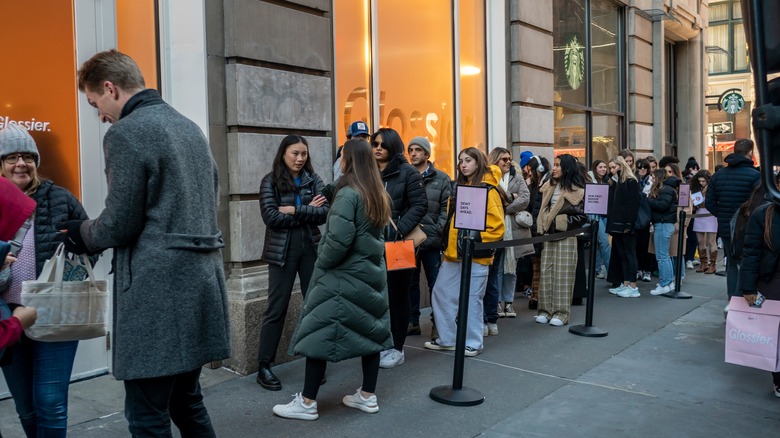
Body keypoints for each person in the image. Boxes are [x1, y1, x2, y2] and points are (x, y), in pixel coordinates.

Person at [64, 50, 231, 437]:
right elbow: (211, 198)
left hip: (158, 294)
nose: (101, 116)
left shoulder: (126, 132)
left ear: (110, 88)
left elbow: (119, 223)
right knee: (186, 401)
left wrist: (82, 232)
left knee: (146, 415)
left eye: (95, 104)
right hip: (199, 286)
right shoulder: (189, 127)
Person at [272, 138, 393, 421]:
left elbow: (338, 240)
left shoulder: (349, 194)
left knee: (319, 333)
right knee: (371, 333)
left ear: (348, 161)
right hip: (371, 274)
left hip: (342, 275)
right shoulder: (375, 191)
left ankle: (307, 402)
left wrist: (321, 265)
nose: (338, 161)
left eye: (341, 157)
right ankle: (367, 396)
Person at [0, 124, 92, 437]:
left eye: (27, 156)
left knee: (50, 402)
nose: (20, 164)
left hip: (55, 312)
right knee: (25, 405)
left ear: (37, 161)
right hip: (6, 315)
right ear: (1, 163)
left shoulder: (60, 198)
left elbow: (91, 244)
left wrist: (67, 273)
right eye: (11, 157)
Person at [256, 135, 328, 391]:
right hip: (282, 251)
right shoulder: (270, 181)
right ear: (284, 153)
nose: (300, 159)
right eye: (295, 153)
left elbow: (323, 213)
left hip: (310, 248)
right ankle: (264, 366)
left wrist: (296, 210)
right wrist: (307, 209)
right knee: (276, 308)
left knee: (314, 306)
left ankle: (316, 363)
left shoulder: (314, 180)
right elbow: (271, 217)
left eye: (304, 154)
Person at [423, 147, 504, 355]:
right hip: (453, 254)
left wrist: (473, 242)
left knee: (472, 298)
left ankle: (473, 342)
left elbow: (497, 227)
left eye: (468, 160)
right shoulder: (460, 187)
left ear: (478, 162)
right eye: (461, 161)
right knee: (441, 292)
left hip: (475, 254)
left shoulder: (489, 190)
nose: (463, 164)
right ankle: (449, 337)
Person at [370, 128, 426, 368]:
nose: (378, 148)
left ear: (393, 146)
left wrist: (399, 229)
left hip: (399, 245)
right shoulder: (368, 173)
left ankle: (397, 347)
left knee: (398, 296)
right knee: (377, 296)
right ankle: (381, 342)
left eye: (383, 144)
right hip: (371, 244)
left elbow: (420, 204)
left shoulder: (408, 172)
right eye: (375, 144)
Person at [706, 138, 760, 305]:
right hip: (747, 226)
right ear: (750, 153)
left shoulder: (719, 175)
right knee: (746, 263)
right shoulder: (755, 175)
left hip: (725, 225)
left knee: (731, 262)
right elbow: (758, 203)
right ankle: (741, 301)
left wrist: (722, 215)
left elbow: (710, 203)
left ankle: (732, 300)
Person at [406, 136, 450, 338]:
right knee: (409, 282)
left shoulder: (441, 178)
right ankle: (412, 321)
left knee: (436, 283)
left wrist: (439, 229)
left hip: (432, 239)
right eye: (410, 150)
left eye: (417, 150)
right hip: (408, 238)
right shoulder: (405, 175)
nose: (413, 153)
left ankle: (437, 323)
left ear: (426, 153)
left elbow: (446, 208)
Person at [535, 154, 586, 326]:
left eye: (558, 165)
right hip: (547, 234)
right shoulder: (547, 186)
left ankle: (561, 313)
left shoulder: (578, 190)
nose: (554, 168)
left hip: (565, 236)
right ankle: (544, 310)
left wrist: (559, 223)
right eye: (554, 165)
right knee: (546, 272)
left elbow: (581, 217)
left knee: (563, 274)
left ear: (568, 168)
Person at [738, 199, 780, 398]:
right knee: (775, 333)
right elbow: (751, 251)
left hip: (770, 280)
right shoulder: (764, 214)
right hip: (772, 281)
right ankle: (779, 379)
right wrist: (747, 288)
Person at [487, 147, 532, 325]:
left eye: (509, 159)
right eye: (503, 159)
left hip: (513, 227)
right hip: (496, 227)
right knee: (496, 267)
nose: (507, 162)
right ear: (495, 160)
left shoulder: (516, 176)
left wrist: (506, 207)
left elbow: (525, 198)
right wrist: (511, 198)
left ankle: (509, 302)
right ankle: (496, 302)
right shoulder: (490, 177)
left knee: (511, 268)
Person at [605, 156, 641, 298]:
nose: (611, 170)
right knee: (622, 255)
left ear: (621, 166)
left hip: (626, 224)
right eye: (610, 168)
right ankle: (626, 284)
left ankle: (633, 285)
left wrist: (628, 224)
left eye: (614, 167)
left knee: (629, 254)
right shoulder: (617, 182)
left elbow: (632, 205)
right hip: (616, 223)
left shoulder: (631, 182)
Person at [524, 155, 550, 310]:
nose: (530, 174)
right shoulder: (536, 184)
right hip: (535, 230)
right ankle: (535, 296)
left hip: (541, 230)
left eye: (531, 170)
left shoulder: (545, 184)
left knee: (540, 264)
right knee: (536, 264)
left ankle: (538, 297)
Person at [647, 169, 678, 295]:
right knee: (665, 256)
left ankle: (664, 283)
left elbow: (662, 206)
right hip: (665, 223)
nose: (652, 179)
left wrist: (648, 200)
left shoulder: (666, 190)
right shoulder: (669, 190)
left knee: (662, 257)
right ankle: (669, 282)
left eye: (653, 177)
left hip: (663, 223)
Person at [691, 170, 718, 274]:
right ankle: (704, 263)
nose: (701, 183)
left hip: (710, 215)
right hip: (699, 215)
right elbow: (696, 203)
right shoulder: (696, 189)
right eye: (699, 181)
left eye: (703, 181)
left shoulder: (712, 189)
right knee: (700, 241)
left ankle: (713, 264)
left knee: (712, 241)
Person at [588, 159, 611, 279]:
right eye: (600, 167)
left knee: (598, 244)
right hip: (595, 214)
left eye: (604, 167)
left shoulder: (608, 180)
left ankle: (597, 269)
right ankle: (611, 272)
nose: (603, 169)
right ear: (595, 168)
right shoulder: (590, 180)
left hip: (606, 214)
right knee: (604, 243)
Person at [635, 158, 654, 282]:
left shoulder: (651, 180)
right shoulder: (633, 180)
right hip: (636, 215)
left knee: (647, 245)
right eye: (640, 167)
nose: (642, 170)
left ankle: (647, 270)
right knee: (637, 245)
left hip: (647, 215)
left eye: (644, 168)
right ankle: (638, 269)